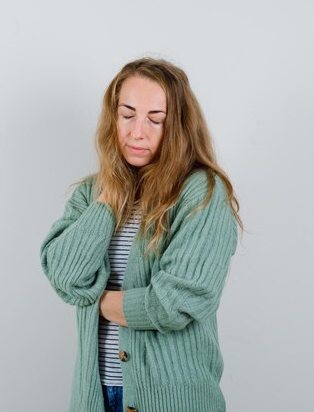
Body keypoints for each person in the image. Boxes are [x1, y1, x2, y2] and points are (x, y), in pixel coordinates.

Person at [40, 57, 243, 412]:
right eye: (128, 114)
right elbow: (64, 275)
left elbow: (175, 301)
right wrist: (108, 199)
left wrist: (97, 302)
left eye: (156, 119)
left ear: (177, 126)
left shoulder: (202, 193)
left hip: (173, 400)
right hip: (96, 398)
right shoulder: (91, 194)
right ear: (113, 117)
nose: (138, 131)